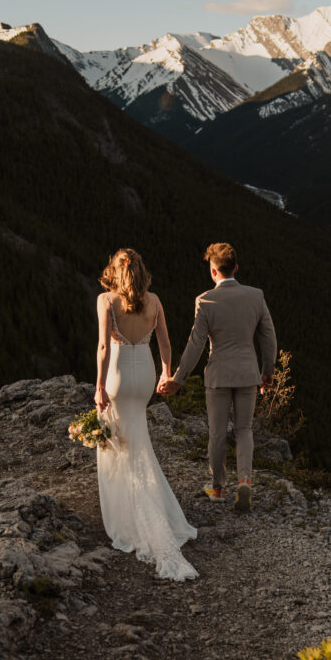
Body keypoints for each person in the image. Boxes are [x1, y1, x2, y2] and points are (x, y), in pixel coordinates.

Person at [95, 248, 198, 581]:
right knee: (138, 440)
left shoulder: (106, 301)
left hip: (119, 375)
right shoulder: (154, 301)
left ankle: (129, 516)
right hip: (145, 376)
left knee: (117, 443)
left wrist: (98, 388)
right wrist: (167, 374)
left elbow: (103, 347)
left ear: (115, 271)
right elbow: (165, 341)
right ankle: (152, 506)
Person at [158, 242, 277, 511]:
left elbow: (195, 344)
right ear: (236, 267)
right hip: (248, 373)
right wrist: (267, 372)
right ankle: (244, 481)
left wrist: (178, 378)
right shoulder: (256, 296)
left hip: (218, 376)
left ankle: (219, 488)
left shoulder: (205, 301)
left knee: (217, 433)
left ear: (213, 272)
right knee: (244, 429)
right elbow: (269, 338)